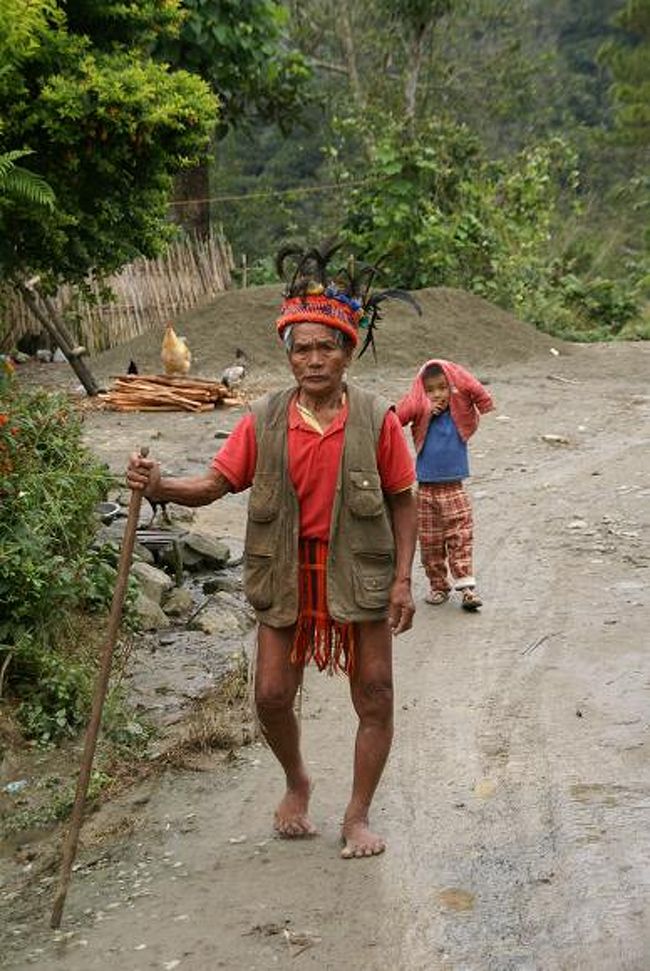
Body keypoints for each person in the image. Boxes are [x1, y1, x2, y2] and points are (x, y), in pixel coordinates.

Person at [127, 244, 418, 859]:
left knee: (375, 694)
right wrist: (158, 486)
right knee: (270, 695)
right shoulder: (262, 419)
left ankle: (358, 816)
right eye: (302, 348)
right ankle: (297, 781)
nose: (314, 359)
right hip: (285, 570)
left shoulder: (377, 418)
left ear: (347, 351)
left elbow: (402, 499)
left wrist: (401, 581)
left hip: (358, 571)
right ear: (288, 355)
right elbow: (212, 485)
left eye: (327, 347)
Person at [396, 358, 494, 611]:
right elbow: (398, 417)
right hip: (425, 490)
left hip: (454, 489)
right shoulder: (420, 411)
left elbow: (472, 387)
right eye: (430, 389)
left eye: (442, 387)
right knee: (429, 542)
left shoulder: (460, 412)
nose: (437, 394)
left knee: (460, 537)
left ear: (452, 387)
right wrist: (426, 407)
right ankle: (438, 586)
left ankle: (467, 588)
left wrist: (480, 401)